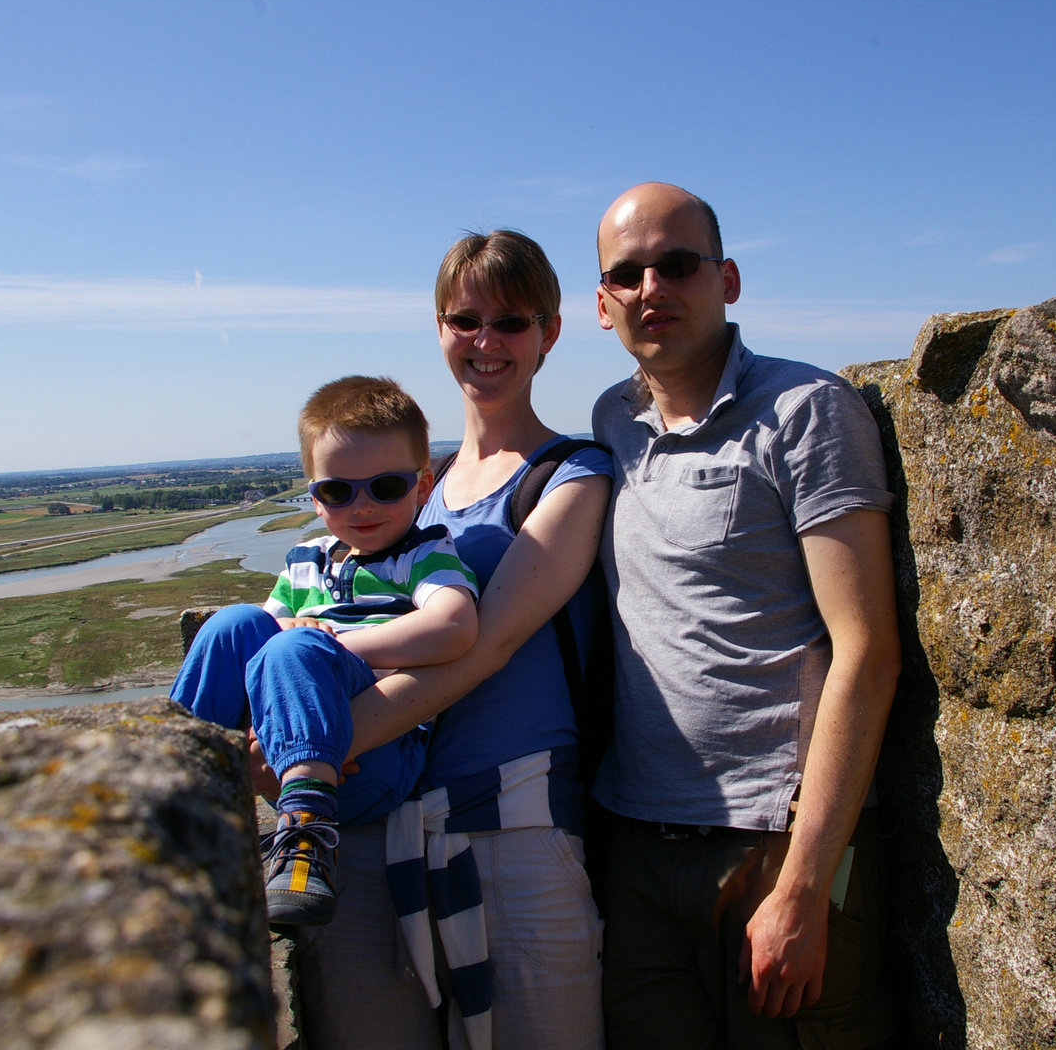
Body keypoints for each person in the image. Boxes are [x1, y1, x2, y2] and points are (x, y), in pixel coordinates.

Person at [589, 182, 903, 1049]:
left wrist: (805, 885)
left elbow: (867, 651)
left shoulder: (805, 411)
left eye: (677, 264)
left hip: (775, 846)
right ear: (601, 303)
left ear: (728, 279)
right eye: (628, 273)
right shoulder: (613, 423)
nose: (653, 288)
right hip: (641, 844)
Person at [289, 230, 613, 1049]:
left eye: (510, 321)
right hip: (380, 822)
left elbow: (485, 645)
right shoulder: (402, 489)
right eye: (463, 319)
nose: (485, 341)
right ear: (438, 328)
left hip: (515, 831)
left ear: (551, 331)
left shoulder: (571, 475)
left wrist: (310, 754)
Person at [170, 375, 479, 927]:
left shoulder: (423, 555)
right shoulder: (304, 559)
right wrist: (292, 636)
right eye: (338, 491)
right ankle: (176, 787)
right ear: (314, 497)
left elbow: (454, 626)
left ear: (423, 485)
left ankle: (307, 842)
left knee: (294, 646)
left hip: (379, 752)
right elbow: (259, 644)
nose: (362, 506)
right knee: (232, 625)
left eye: (386, 487)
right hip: (292, 746)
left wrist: (333, 641)